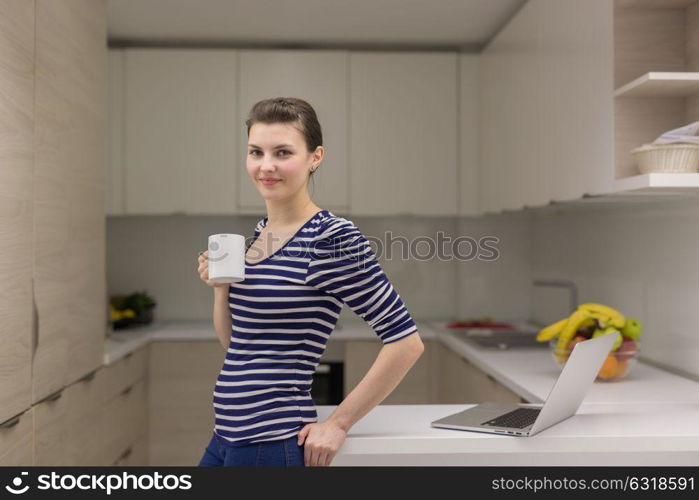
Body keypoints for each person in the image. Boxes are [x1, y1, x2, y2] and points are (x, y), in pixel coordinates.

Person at [196, 97, 424, 467]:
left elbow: (406, 343)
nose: (266, 166)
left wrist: (338, 423)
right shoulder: (261, 233)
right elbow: (236, 345)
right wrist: (221, 289)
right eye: (256, 152)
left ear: (315, 157)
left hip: (271, 442)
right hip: (227, 436)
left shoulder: (331, 237)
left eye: (282, 152)